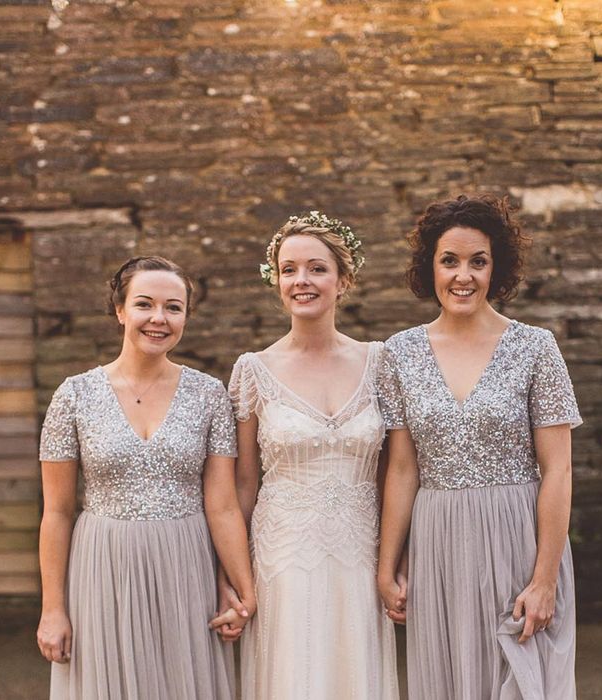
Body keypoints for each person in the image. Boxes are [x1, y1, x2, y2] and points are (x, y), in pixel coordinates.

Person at [378, 195, 580, 699]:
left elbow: (558, 471)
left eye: (478, 261)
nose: (462, 275)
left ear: (498, 269)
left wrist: (545, 579)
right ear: (431, 267)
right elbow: (402, 470)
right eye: (449, 260)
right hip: (438, 542)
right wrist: (387, 565)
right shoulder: (399, 352)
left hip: (517, 540)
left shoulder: (536, 347)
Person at [36, 255, 255, 700]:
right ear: (120, 311)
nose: (159, 318)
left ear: (186, 317)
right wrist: (53, 610)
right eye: (145, 304)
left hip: (186, 566)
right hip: (103, 568)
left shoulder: (210, 394)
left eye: (174, 308)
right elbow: (57, 513)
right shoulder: (74, 395)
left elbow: (224, 505)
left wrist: (242, 592)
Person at [214, 212, 399, 699]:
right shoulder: (252, 370)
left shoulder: (380, 363)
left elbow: (395, 473)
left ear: (344, 279)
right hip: (282, 557)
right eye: (289, 269)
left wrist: (397, 561)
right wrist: (228, 576)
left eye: (316, 268)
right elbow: (241, 487)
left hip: (360, 553)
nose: (302, 280)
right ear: (275, 279)